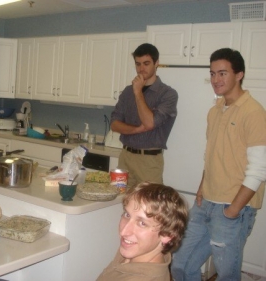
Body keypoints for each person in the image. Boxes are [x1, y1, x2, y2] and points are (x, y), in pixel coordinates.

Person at [171, 48, 266, 281]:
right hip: (205, 203)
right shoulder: (214, 111)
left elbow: (259, 169)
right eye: (213, 74)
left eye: (222, 73)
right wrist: (202, 187)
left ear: (239, 74)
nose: (216, 80)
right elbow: (211, 154)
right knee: (180, 265)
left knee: (226, 275)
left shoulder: (254, 113)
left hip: (233, 208)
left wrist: (233, 210)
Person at [111, 43, 178, 186]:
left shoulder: (168, 94)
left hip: (149, 161)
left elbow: (149, 123)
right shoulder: (127, 92)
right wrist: (136, 130)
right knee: (120, 202)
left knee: (149, 205)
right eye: (138, 64)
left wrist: (138, 92)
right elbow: (114, 124)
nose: (141, 69)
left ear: (157, 63)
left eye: (146, 63)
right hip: (125, 157)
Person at [96, 182, 188, 281]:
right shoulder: (137, 251)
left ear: (167, 235)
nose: (124, 232)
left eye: (142, 223)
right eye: (127, 215)